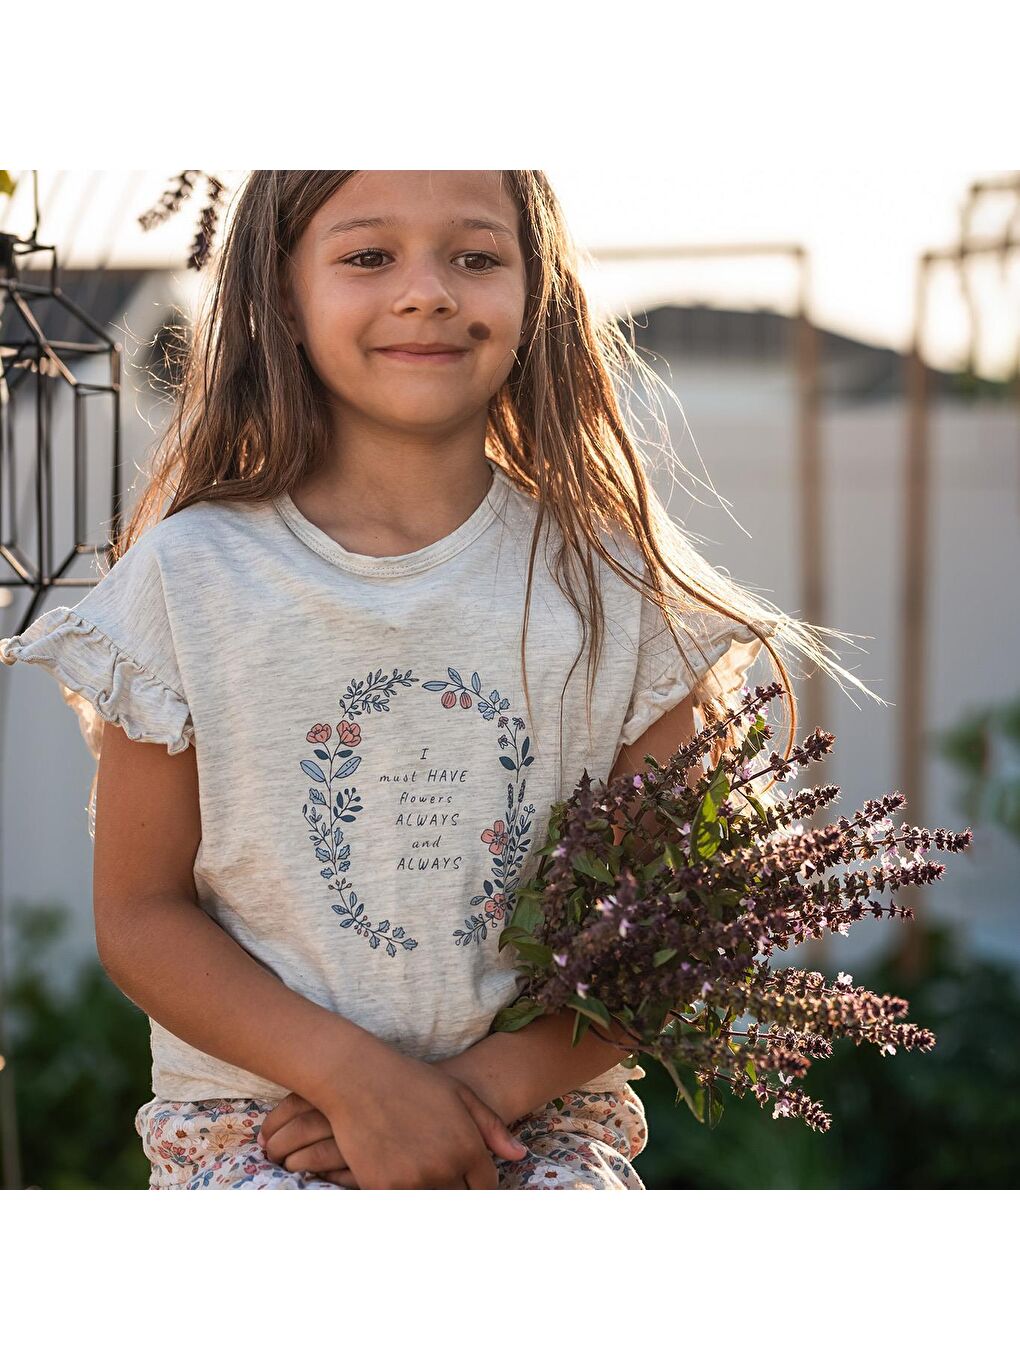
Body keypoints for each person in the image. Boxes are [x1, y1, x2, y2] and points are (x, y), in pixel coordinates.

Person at [0, 171, 880, 1190]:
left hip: (533, 1130)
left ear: (537, 288)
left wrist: (474, 1093)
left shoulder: (613, 590)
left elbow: (678, 925)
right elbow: (143, 917)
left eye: (475, 256)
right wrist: (355, 1083)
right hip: (258, 1132)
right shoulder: (188, 579)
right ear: (284, 294)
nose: (427, 292)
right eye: (369, 256)